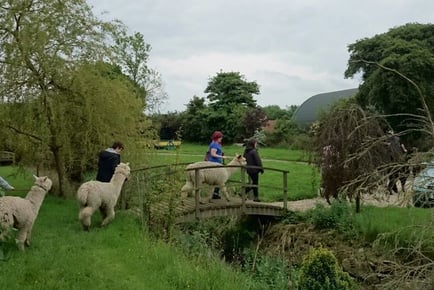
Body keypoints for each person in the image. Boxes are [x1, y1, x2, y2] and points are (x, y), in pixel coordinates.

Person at [207, 131, 226, 199]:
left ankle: (215, 193)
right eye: (220, 137)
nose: (221, 138)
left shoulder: (217, 144)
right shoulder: (214, 144)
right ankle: (215, 193)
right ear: (217, 137)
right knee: (219, 179)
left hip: (217, 163)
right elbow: (213, 154)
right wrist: (221, 157)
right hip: (214, 163)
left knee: (219, 179)